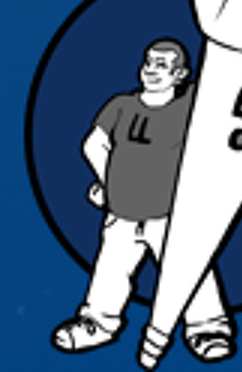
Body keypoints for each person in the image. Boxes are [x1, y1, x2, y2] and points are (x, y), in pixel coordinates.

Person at [54, 38, 232, 361]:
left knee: (190, 269)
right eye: (149, 62)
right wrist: (109, 184)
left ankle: (208, 328)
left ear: (180, 74)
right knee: (110, 270)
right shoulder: (121, 106)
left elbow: (220, 79)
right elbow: (93, 145)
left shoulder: (190, 104)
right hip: (122, 214)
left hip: (169, 216)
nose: (151, 70)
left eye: (162, 65)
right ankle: (97, 324)